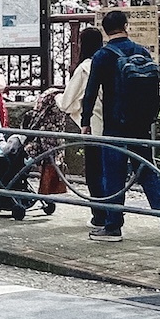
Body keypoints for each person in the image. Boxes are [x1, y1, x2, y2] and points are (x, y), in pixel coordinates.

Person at [80, 9, 160, 243]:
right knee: (146, 171)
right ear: (126, 26)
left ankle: (113, 226)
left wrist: (85, 122)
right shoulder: (141, 51)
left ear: (105, 30)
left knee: (113, 176)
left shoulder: (102, 56)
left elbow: (91, 91)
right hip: (140, 125)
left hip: (114, 125)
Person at [62, 27, 108, 229]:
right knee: (112, 173)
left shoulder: (85, 68)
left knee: (95, 173)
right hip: (115, 126)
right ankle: (113, 215)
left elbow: (66, 102)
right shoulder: (110, 61)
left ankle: (99, 215)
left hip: (93, 127)